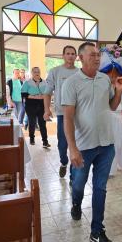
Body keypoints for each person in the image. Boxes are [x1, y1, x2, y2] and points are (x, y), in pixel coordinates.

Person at [62, 42, 122, 242]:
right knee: (78, 185)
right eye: (92, 55)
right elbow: (68, 119)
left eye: (98, 55)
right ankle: (76, 204)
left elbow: (112, 106)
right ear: (81, 58)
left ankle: (97, 230)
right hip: (84, 147)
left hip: (106, 145)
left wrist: (118, 91)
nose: (97, 58)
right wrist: (72, 148)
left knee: (100, 188)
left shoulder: (104, 79)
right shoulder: (71, 83)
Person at [44, 46, 78, 178]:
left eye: (73, 54)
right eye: (68, 54)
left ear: (76, 57)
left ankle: (73, 175)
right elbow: (47, 93)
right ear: (63, 56)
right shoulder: (55, 72)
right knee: (62, 144)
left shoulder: (80, 73)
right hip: (62, 115)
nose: (70, 56)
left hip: (78, 115)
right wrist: (47, 110)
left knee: (76, 145)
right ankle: (64, 162)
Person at [21, 67, 50, 148]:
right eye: (34, 72)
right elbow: (23, 94)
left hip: (42, 105)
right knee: (32, 123)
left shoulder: (44, 82)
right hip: (30, 105)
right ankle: (32, 139)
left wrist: (44, 98)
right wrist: (35, 97)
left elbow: (48, 93)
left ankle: (45, 142)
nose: (36, 73)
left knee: (42, 124)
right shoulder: (27, 82)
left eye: (38, 71)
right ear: (31, 73)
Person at [109, 87, 122, 176]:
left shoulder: (120, 95)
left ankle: (118, 164)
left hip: (118, 120)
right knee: (111, 144)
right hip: (109, 119)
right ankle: (110, 169)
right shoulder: (106, 93)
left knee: (118, 143)